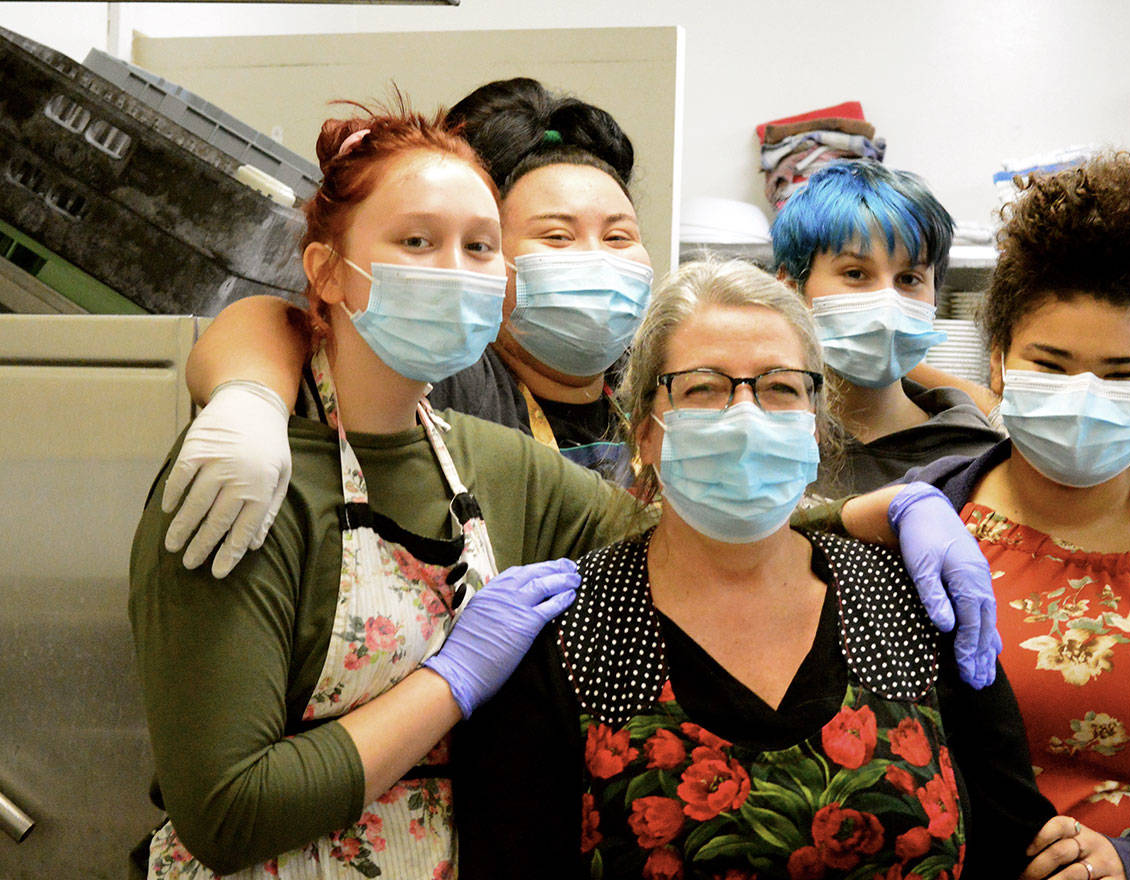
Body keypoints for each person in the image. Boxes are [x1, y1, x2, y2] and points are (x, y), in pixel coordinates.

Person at [130, 99, 1005, 880]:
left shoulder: (487, 461)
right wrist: (451, 680)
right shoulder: (241, 478)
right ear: (325, 270)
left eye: (478, 246)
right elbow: (225, 813)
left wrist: (891, 509)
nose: (454, 269)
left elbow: (691, 517)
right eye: (416, 242)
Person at [452, 258, 1055, 880]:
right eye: (704, 387)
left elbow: (1019, 849)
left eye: (779, 387)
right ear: (646, 435)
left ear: (817, 429)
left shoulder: (915, 606)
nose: (746, 416)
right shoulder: (570, 637)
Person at [905, 155, 1130, 880]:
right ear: (996, 363)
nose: (1082, 394)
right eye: (1050, 364)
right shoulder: (925, 528)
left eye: (1120, 374)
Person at [179, 77, 650, 538]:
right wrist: (250, 399)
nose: (597, 260)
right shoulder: (447, 371)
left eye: (618, 237)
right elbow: (271, 322)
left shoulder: (654, 383)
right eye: (557, 236)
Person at [772, 160, 1002, 495]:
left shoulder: (974, 459)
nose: (887, 305)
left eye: (909, 279)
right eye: (855, 273)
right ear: (791, 289)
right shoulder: (764, 441)